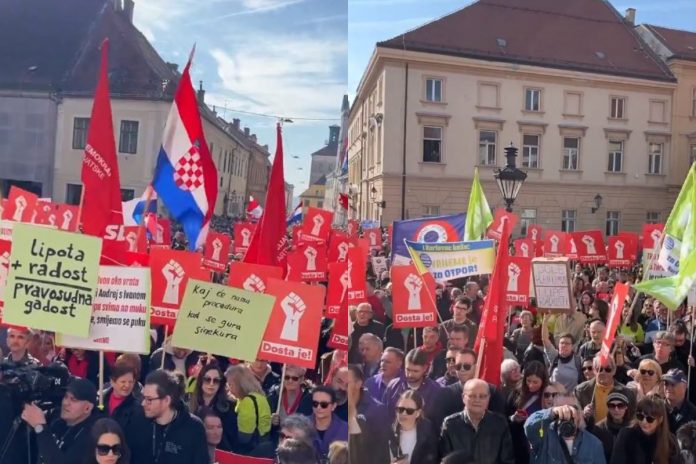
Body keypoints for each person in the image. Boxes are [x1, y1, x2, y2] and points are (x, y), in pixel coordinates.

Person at [127, 369, 209, 464]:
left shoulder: (194, 427)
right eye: (144, 398)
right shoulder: (137, 422)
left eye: (149, 399)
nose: (143, 403)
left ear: (166, 400)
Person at [21, 378, 100, 464]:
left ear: (87, 408)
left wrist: (40, 427)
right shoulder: (57, 421)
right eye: (66, 397)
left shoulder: (91, 436)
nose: (66, 403)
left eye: (73, 400)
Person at [439, 379, 514, 463]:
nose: (477, 400)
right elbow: (445, 459)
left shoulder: (500, 423)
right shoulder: (450, 424)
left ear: (488, 398)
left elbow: (507, 460)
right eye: (472, 396)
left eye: (482, 396)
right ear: (463, 397)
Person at [525, 394, 606, 464]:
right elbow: (529, 426)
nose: (567, 413)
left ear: (580, 413)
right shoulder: (543, 437)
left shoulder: (594, 444)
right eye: (561, 408)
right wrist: (551, 412)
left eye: (573, 408)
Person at [610, 395, 681, 463]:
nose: (644, 422)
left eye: (649, 419)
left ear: (660, 420)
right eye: (640, 416)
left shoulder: (670, 441)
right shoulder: (626, 435)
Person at [225, 364, 273, 456]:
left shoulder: (247, 402)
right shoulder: (260, 396)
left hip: (251, 452)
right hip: (264, 447)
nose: (229, 390)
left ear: (239, 384)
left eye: (230, 385)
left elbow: (244, 437)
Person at [380, 389, 438, 464]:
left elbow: (433, 460)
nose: (403, 413)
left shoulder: (428, 431)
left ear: (418, 413)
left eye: (409, 411)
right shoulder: (388, 431)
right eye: (400, 409)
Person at [188, 361, 237, 451]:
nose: (211, 384)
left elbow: (231, 437)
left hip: (218, 452)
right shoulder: (188, 401)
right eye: (207, 379)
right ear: (200, 380)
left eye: (216, 380)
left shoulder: (230, 406)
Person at [507, 360, 547, 464]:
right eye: (528, 381)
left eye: (535, 382)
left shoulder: (548, 394)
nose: (531, 385)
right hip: (520, 443)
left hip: (541, 442)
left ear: (543, 381)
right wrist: (514, 418)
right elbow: (506, 416)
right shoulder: (516, 393)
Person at [383, 348, 442, 419]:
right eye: (408, 370)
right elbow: (385, 414)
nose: (410, 375)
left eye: (415, 371)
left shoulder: (435, 390)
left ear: (425, 368)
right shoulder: (393, 386)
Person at [575, 355, 636, 423]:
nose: (603, 372)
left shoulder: (627, 392)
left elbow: (632, 419)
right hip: (591, 432)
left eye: (607, 369)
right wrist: (583, 413)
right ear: (594, 370)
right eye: (599, 369)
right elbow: (575, 415)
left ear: (614, 371)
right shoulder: (580, 390)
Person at [542, 313, 584, 391]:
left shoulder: (579, 361)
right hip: (553, 399)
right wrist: (545, 321)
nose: (564, 345)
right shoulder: (554, 356)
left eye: (567, 343)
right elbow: (545, 340)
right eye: (562, 343)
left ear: (572, 346)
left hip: (571, 400)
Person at [588, 391, 632, 462]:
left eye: (620, 405)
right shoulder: (598, 429)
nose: (616, 409)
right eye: (612, 406)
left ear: (626, 407)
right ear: (608, 407)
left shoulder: (632, 429)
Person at [102, 361, 143, 432]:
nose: (127, 386)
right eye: (123, 382)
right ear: (112, 382)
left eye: (130, 382)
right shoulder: (101, 399)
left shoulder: (137, 409)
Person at [310, 386, 348, 459]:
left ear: (333, 406)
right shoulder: (300, 427)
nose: (318, 407)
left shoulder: (346, 430)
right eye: (315, 403)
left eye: (324, 404)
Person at [664, 369, 696, 433]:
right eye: (666, 384)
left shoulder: (693, 413)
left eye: (673, 384)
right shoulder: (656, 407)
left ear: (684, 386)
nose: (668, 387)